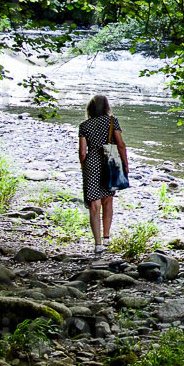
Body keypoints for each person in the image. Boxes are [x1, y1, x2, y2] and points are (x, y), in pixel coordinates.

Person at [77, 93, 128, 253]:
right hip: (110, 162)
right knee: (108, 201)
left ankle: (97, 244)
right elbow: (121, 144)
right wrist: (125, 164)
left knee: (94, 204)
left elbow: (82, 152)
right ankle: (106, 238)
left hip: (91, 163)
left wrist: (84, 167)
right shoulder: (112, 121)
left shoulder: (84, 125)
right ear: (106, 107)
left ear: (90, 108)